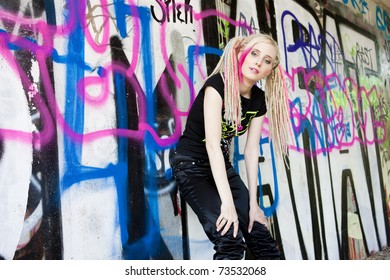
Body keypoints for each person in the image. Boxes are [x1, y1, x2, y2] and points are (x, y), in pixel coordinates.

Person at [170, 33, 290, 260]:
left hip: (221, 168)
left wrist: (253, 204)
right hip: (191, 166)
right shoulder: (217, 86)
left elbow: (251, 150)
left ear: (270, 70)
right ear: (241, 53)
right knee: (230, 239)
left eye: (266, 60)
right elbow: (213, 146)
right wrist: (228, 204)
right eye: (254, 54)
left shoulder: (258, 100)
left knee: (261, 237)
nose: (258, 62)